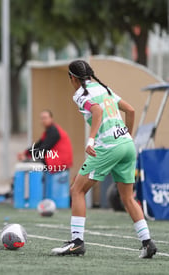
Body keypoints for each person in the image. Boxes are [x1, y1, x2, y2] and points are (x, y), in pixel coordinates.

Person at [51, 60, 157, 258]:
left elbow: (97, 111)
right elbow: (131, 110)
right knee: (127, 197)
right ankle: (147, 243)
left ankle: (77, 242)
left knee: (77, 190)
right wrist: (127, 136)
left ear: (72, 78)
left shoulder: (80, 94)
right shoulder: (104, 88)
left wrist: (90, 140)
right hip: (126, 145)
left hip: (108, 146)